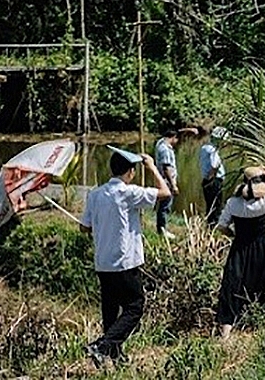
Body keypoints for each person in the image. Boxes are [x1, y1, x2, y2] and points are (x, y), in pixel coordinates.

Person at [80, 147, 170, 367]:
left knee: (110, 312)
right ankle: (102, 346)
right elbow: (165, 192)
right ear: (130, 171)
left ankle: (114, 357)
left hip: (103, 263)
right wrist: (151, 167)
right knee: (135, 307)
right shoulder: (128, 193)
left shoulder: (95, 194)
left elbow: (84, 228)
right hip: (124, 262)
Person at [215, 166, 265, 339]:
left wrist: (235, 235)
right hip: (262, 247)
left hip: (240, 247)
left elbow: (222, 226)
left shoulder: (232, 203)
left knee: (232, 285)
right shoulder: (264, 203)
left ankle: (226, 334)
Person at [199, 126, 228, 225]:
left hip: (206, 180)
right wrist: (212, 180)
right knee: (216, 205)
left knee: (209, 204)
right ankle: (215, 226)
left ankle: (209, 225)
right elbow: (214, 165)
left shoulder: (204, 148)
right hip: (214, 180)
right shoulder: (213, 150)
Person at [154, 130, 180, 239]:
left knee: (162, 206)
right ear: (173, 137)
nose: (177, 142)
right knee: (165, 206)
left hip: (162, 180)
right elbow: (166, 168)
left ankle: (162, 228)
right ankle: (162, 229)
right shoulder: (165, 149)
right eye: (177, 139)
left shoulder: (160, 143)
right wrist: (173, 185)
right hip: (166, 182)